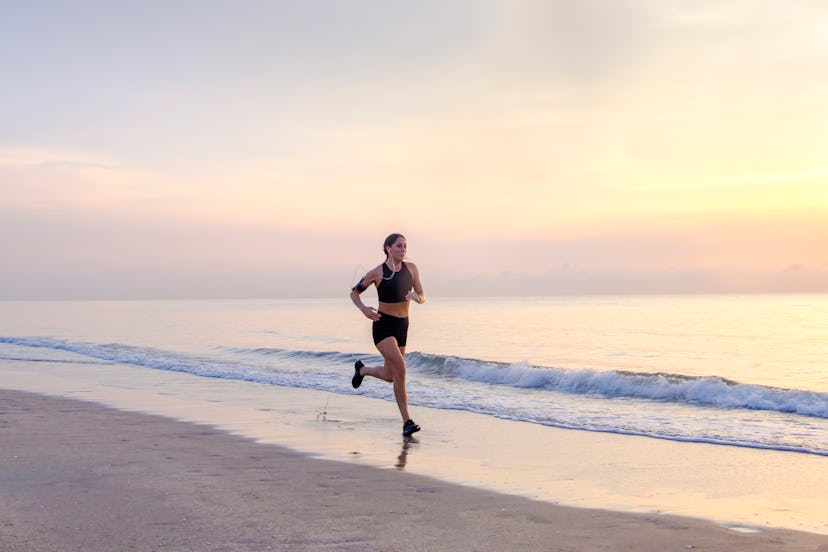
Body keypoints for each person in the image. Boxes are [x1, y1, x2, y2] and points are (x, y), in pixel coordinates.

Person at [349, 233, 426, 437]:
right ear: (388, 248)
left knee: (391, 376)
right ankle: (407, 422)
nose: (403, 250)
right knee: (401, 369)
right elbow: (354, 293)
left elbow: (423, 296)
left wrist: (416, 297)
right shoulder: (377, 273)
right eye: (399, 246)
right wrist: (364, 309)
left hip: (403, 325)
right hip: (383, 326)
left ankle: (362, 370)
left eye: (405, 246)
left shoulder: (412, 269)